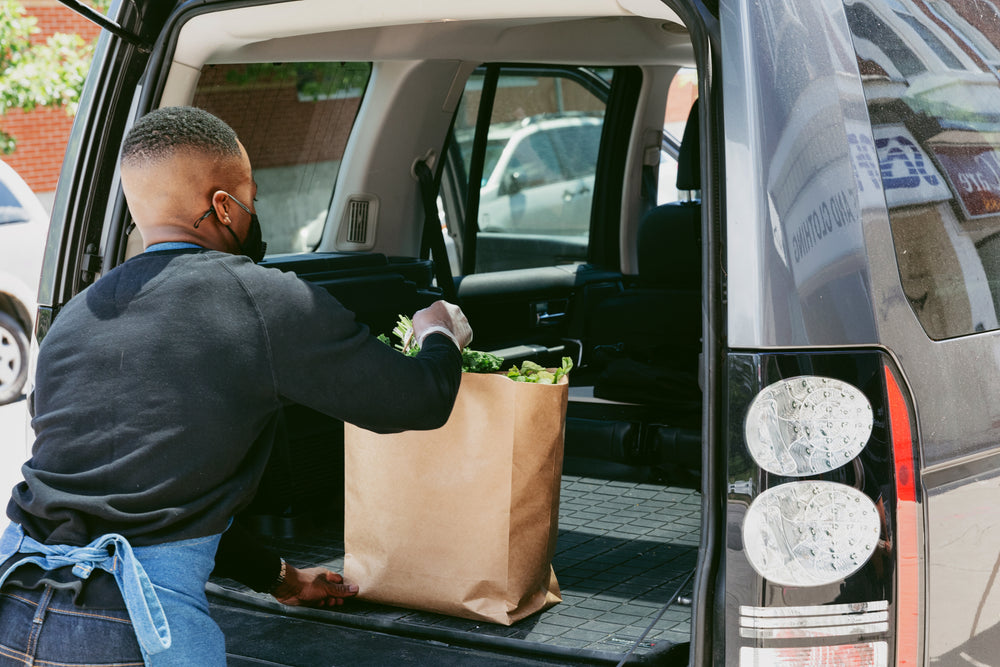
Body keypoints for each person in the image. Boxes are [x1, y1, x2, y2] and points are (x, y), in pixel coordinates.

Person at [0, 106, 472, 665]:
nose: (255, 212)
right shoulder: (260, 299)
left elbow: (146, 496)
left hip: (12, 601)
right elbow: (417, 399)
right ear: (224, 206)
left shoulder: (73, 319)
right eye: (251, 197)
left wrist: (283, 581)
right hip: (130, 629)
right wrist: (438, 333)